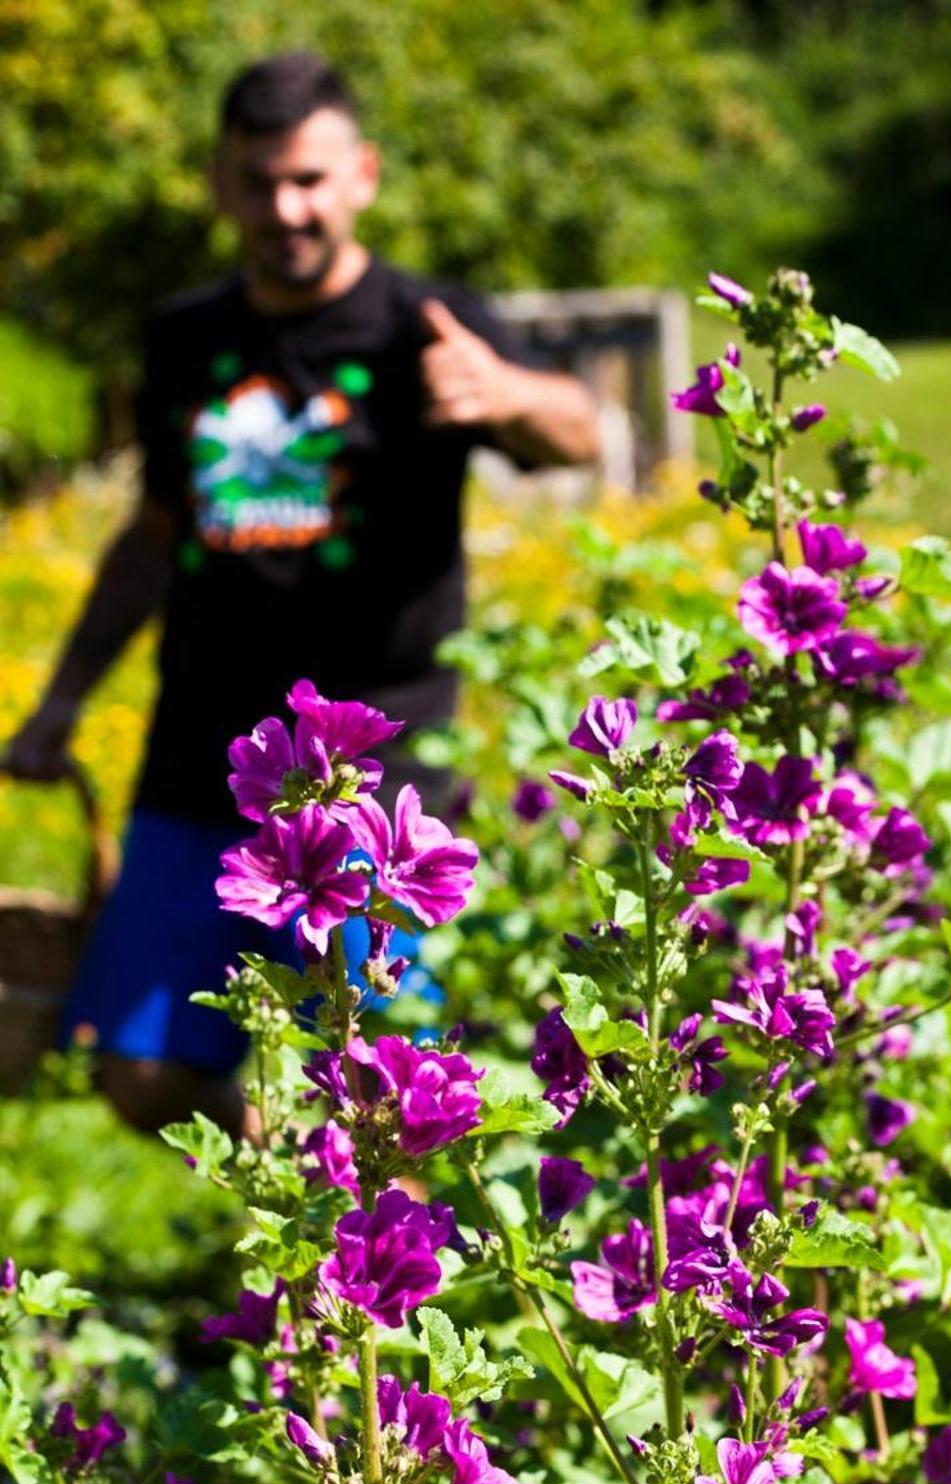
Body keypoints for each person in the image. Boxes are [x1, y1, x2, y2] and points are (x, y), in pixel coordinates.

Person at [4, 50, 600, 1138]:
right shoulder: (184, 338)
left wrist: (503, 391)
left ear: (361, 174)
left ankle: (364, 1257)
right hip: (200, 760)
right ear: (222, 185)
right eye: (261, 179)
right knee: (136, 1066)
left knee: (382, 1090)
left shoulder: (425, 322)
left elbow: (572, 428)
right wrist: (63, 697)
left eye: (311, 179)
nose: (288, 207)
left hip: (382, 771)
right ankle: (296, 1199)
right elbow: (152, 536)